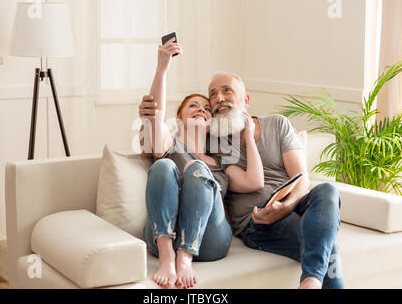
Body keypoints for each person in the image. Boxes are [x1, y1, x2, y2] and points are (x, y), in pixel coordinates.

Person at [139, 72, 345, 289]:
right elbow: (157, 140)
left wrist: (285, 206)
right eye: (213, 95)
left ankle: (310, 282)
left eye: (227, 90)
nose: (218, 99)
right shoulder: (214, 142)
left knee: (328, 191)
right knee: (325, 244)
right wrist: (148, 118)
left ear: (245, 100)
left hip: (291, 203)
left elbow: (301, 178)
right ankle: (312, 280)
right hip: (256, 222)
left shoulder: (277, 125)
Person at [140, 39, 265, 289]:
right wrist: (162, 67)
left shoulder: (220, 160)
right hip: (163, 236)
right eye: (193, 106)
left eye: (207, 108)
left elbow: (254, 181)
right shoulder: (168, 145)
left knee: (198, 170)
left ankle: (184, 258)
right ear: (179, 117)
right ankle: (168, 257)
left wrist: (249, 138)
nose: (202, 110)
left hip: (210, 241)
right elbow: (155, 114)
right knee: (164, 166)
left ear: (212, 121)